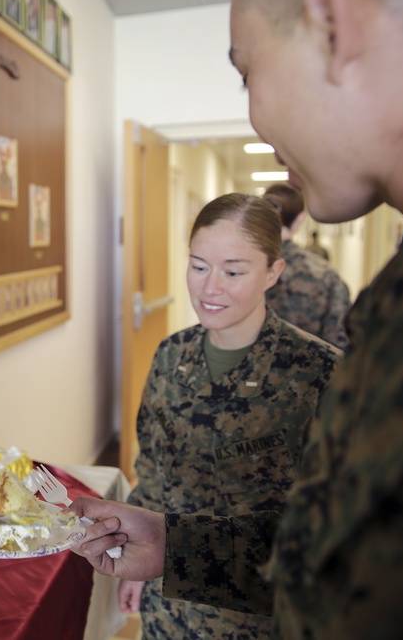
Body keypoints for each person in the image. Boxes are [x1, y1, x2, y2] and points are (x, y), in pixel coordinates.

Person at [71, 0, 403, 637]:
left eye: (247, 74)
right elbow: (342, 567)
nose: (259, 124)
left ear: (332, 25)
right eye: (201, 265)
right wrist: (176, 547)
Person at [122, 193, 341, 638]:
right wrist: (134, 560)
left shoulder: (319, 374)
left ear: (272, 273)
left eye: (234, 271)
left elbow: (333, 524)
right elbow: (151, 471)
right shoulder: (171, 357)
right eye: (199, 266)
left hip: (260, 618)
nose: (209, 287)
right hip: (168, 608)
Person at [263, 183, 350, 349]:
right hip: (309, 371)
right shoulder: (325, 274)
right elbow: (338, 341)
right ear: (301, 218)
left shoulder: (237, 268)